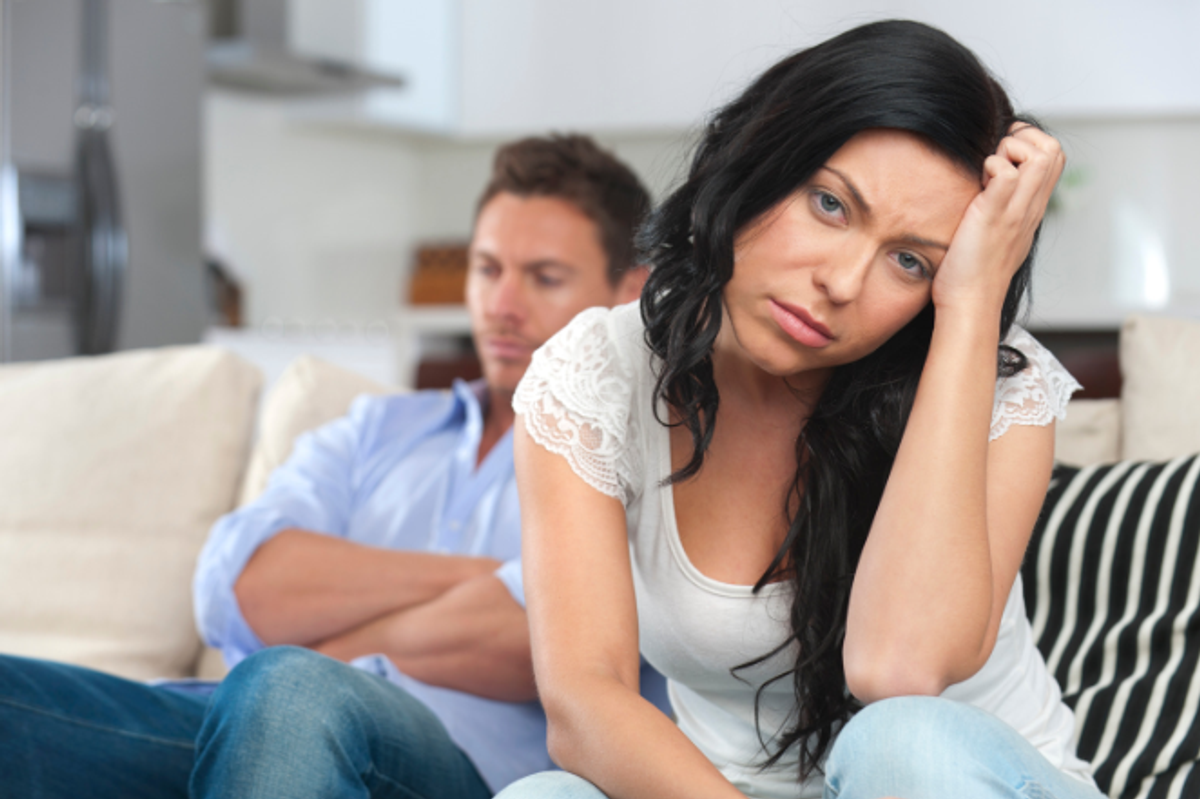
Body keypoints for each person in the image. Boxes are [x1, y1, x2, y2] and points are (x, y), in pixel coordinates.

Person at [499, 21, 1100, 799]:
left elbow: (897, 670)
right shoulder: (595, 374)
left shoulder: (1001, 386)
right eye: (830, 204)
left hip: (951, 780)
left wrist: (972, 306)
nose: (844, 282)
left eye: (912, 261)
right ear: (759, 159)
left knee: (899, 742)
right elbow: (586, 703)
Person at [0, 134, 665, 798]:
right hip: (235, 723)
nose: (501, 304)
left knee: (288, 685)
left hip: (443, 763)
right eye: (487, 269)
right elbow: (237, 582)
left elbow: (541, 644)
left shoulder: (640, 458)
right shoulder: (377, 426)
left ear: (629, 292)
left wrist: (314, 648)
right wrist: (490, 579)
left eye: (544, 276)